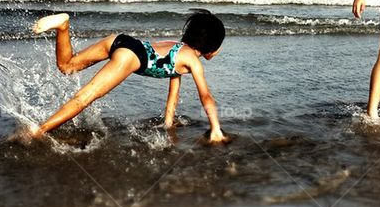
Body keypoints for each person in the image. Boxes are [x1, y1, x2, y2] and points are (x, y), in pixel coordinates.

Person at [23, 9, 229, 142]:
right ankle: (38, 132)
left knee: (67, 66)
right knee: (85, 97)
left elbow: (173, 91)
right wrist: (216, 129)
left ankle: (63, 25)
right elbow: (206, 96)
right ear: (211, 46)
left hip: (119, 41)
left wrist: (168, 122)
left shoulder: (180, 51)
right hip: (131, 56)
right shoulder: (192, 59)